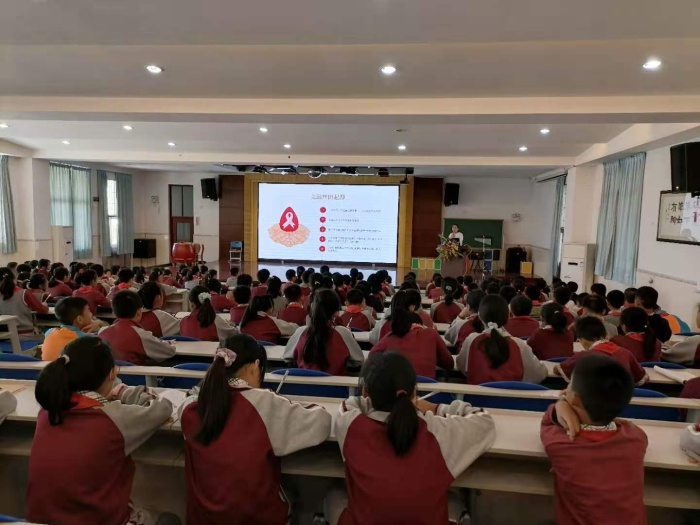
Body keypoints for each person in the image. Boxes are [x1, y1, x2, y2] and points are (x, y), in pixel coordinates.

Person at [180, 334, 332, 525]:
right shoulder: (264, 403)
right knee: (296, 491)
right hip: (255, 518)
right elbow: (322, 422)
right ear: (255, 365)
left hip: (203, 519)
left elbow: (192, 397)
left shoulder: (190, 408)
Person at [329, 351, 495, 525]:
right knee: (451, 500)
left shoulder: (351, 425)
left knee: (334, 494)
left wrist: (372, 398)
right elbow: (484, 421)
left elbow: (349, 404)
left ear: (365, 392)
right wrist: (436, 408)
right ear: (414, 393)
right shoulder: (436, 430)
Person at [27, 338, 179, 525]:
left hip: (40, 521)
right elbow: (162, 408)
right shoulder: (113, 417)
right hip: (99, 520)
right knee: (170, 520)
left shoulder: (47, 411)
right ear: (112, 374)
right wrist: (122, 392)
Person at [541, 353, 647, 525]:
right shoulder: (636, 438)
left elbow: (546, 422)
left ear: (575, 398)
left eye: (570, 385)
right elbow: (624, 424)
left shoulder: (562, 443)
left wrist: (560, 405)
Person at [456, 295, 547, 385]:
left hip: (475, 394)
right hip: (512, 394)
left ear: (479, 315)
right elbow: (538, 374)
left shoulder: (471, 340)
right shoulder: (519, 345)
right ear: (508, 316)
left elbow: (462, 366)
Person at [283, 289, 364, 375]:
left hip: (303, 382)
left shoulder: (301, 331)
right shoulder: (343, 333)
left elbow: (287, 357)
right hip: (335, 382)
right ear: (336, 312)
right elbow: (358, 360)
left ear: (312, 308)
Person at [555, 317, 648, 385]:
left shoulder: (584, 356)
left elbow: (559, 370)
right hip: (621, 402)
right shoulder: (625, 353)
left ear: (583, 340)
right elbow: (643, 378)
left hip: (592, 402)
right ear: (605, 334)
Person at [98, 290, 176, 365]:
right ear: (138, 313)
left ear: (114, 313)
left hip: (110, 374)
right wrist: (168, 344)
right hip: (135, 374)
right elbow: (169, 351)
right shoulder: (140, 335)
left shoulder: (102, 332)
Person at [371, 310, 453, 379]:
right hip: (427, 389)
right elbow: (449, 363)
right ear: (421, 325)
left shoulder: (390, 336)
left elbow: (372, 356)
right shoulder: (431, 333)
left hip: (396, 388)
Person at [41, 297, 105, 361]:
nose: (91, 314)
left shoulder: (49, 332)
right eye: (88, 310)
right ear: (79, 319)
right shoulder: (88, 339)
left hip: (47, 367)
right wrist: (100, 323)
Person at [0, 266, 48, 338]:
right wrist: (45, 305)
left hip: (4, 336)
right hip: (25, 334)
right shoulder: (24, 293)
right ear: (14, 278)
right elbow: (43, 310)